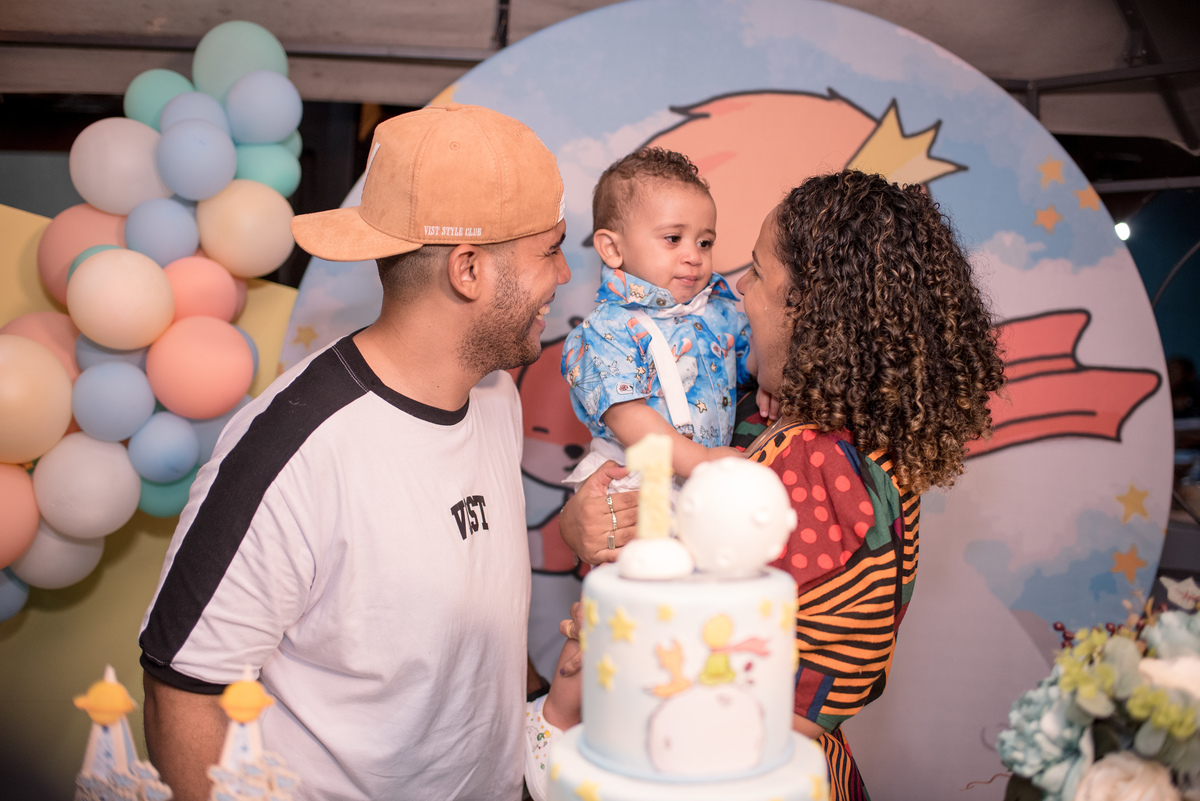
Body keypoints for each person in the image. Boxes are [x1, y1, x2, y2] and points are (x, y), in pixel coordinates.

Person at [138, 104, 572, 801]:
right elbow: (183, 691)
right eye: (549, 250)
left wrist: (534, 701)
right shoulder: (293, 449)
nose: (565, 273)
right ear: (468, 269)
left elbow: (468, 597)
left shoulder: (494, 395)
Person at [560, 170, 1005, 799]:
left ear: (806, 307)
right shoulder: (772, 416)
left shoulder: (826, 467)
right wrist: (585, 524)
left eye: (759, 273)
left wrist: (621, 637)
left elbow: (791, 683)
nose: (738, 288)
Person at [561, 148, 756, 494]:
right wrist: (700, 461)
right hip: (636, 480)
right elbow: (628, 417)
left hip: (703, 480)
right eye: (673, 239)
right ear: (612, 249)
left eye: (704, 242)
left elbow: (751, 362)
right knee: (646, 533)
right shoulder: (607, 329)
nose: (694, 256)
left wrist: (770, 380)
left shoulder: (719, 312)